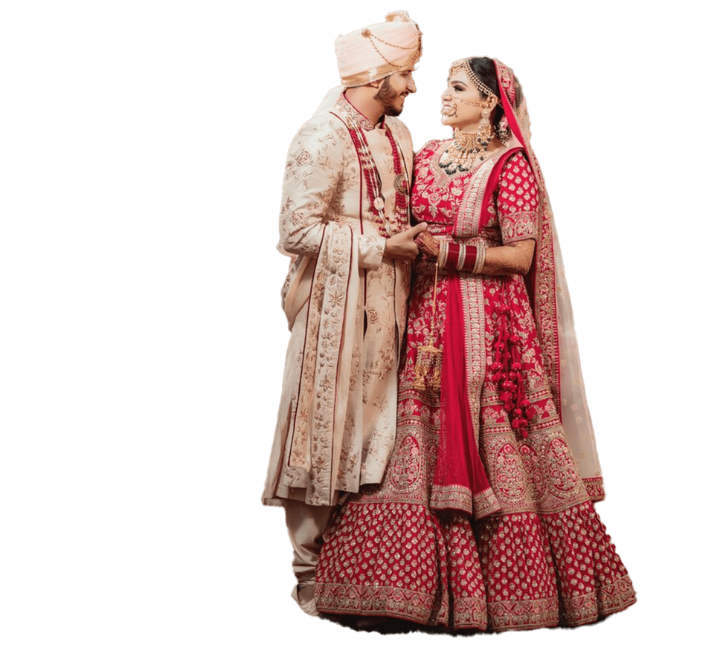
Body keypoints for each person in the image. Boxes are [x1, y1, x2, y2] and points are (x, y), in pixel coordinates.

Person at [313, 56, 638, 632]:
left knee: (495, 437)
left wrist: (448, 252)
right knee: (410, 434)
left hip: (490, 325)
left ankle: (507, 591)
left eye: (458, 88)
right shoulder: (426, 153)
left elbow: (522, 255)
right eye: (443, 85)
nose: (443, 95)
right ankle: (393, 587)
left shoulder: (511, 165)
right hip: (422, 318)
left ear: (490, 102)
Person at [260, 10, 426, 619]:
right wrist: (380, 247)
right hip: (338, 303)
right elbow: (295, 232)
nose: (413, 87)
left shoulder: (399, 134)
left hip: (395, 300)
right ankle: (309, 572)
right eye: (406, 75)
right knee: (325, 427)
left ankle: (360, 568)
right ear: (377, 77)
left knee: (382, 429)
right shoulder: (320, 137)